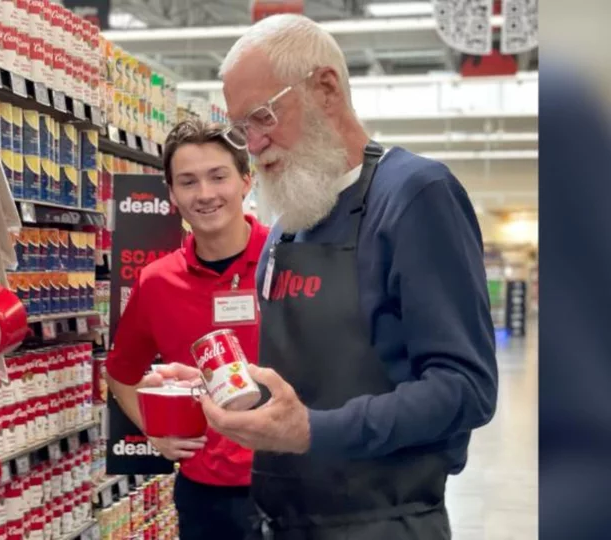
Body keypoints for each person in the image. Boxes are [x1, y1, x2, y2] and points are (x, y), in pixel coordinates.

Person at [192, 14, 498, 539]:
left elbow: (466, 388)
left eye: (263, 117)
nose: (256, 144)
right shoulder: (291, 224)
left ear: (326, 89)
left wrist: (315, 430)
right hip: (279, 521)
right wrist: (221, 384)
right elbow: (301, 382)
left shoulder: (414, 197)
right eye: (243, 129)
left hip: (380, 522)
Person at [105, 118, 269, 539]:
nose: (205, 194)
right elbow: (121, 371)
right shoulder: (157, 281)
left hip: (297, 484)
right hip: (206, 494)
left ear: (246, 181)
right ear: (173, 195)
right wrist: (154, 431)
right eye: (188, 181)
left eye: (219, 176)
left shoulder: (288, 258)